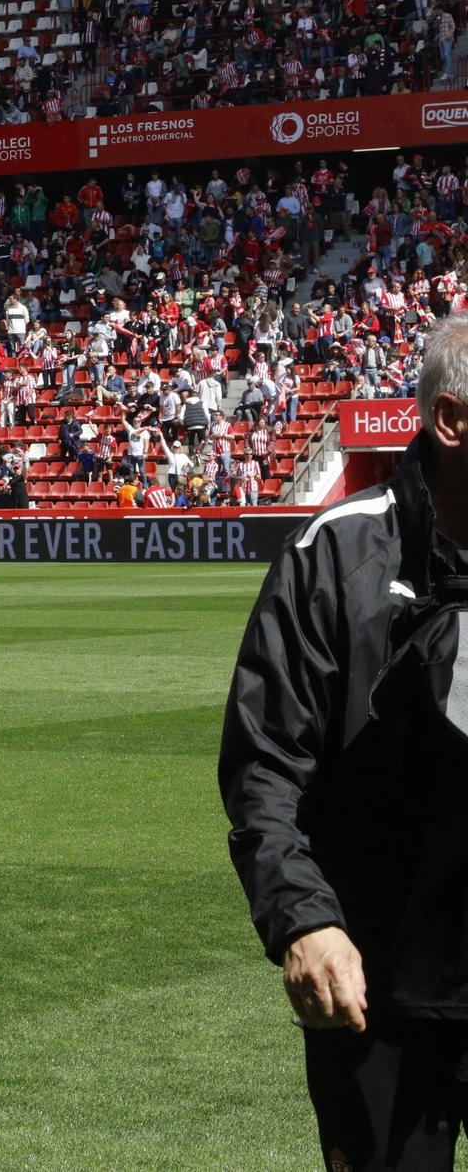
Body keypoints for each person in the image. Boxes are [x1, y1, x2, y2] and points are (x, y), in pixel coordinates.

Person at [220, 316, 468, 1169]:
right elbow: (263, 769)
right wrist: (306, 920)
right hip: (375, 997)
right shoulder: (335, 554)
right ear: (452, 420)